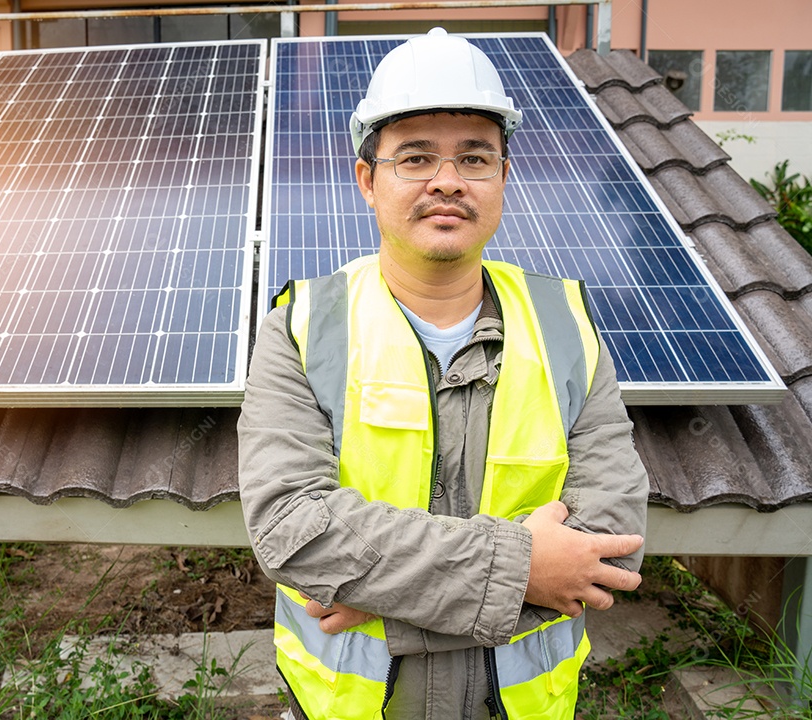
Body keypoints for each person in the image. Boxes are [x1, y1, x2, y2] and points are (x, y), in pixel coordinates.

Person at [237, 27, 649, 720]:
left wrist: (387, 607)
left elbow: (608, 542)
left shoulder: (566, 323)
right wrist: (528, 571)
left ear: (503, 177)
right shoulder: (301, 328)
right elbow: (293, 529)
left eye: (475, 158)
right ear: (368, 180)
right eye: (416, 158)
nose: (448, 181)